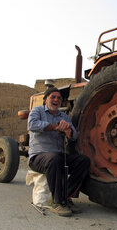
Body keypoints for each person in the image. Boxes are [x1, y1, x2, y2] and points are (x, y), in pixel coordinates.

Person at [27, 87, 90, 217]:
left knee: (83, 161)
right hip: (38, 157)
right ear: (45, 100)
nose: (56, 100)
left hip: (57, 157)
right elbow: (32, 125)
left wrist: (69, 131)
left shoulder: (64, 116)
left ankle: (66, 197)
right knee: (54, 158)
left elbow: (75, 136)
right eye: (53, 97)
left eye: (59, 98)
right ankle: (57, 202)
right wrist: (55, 127)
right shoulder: (37, 111)